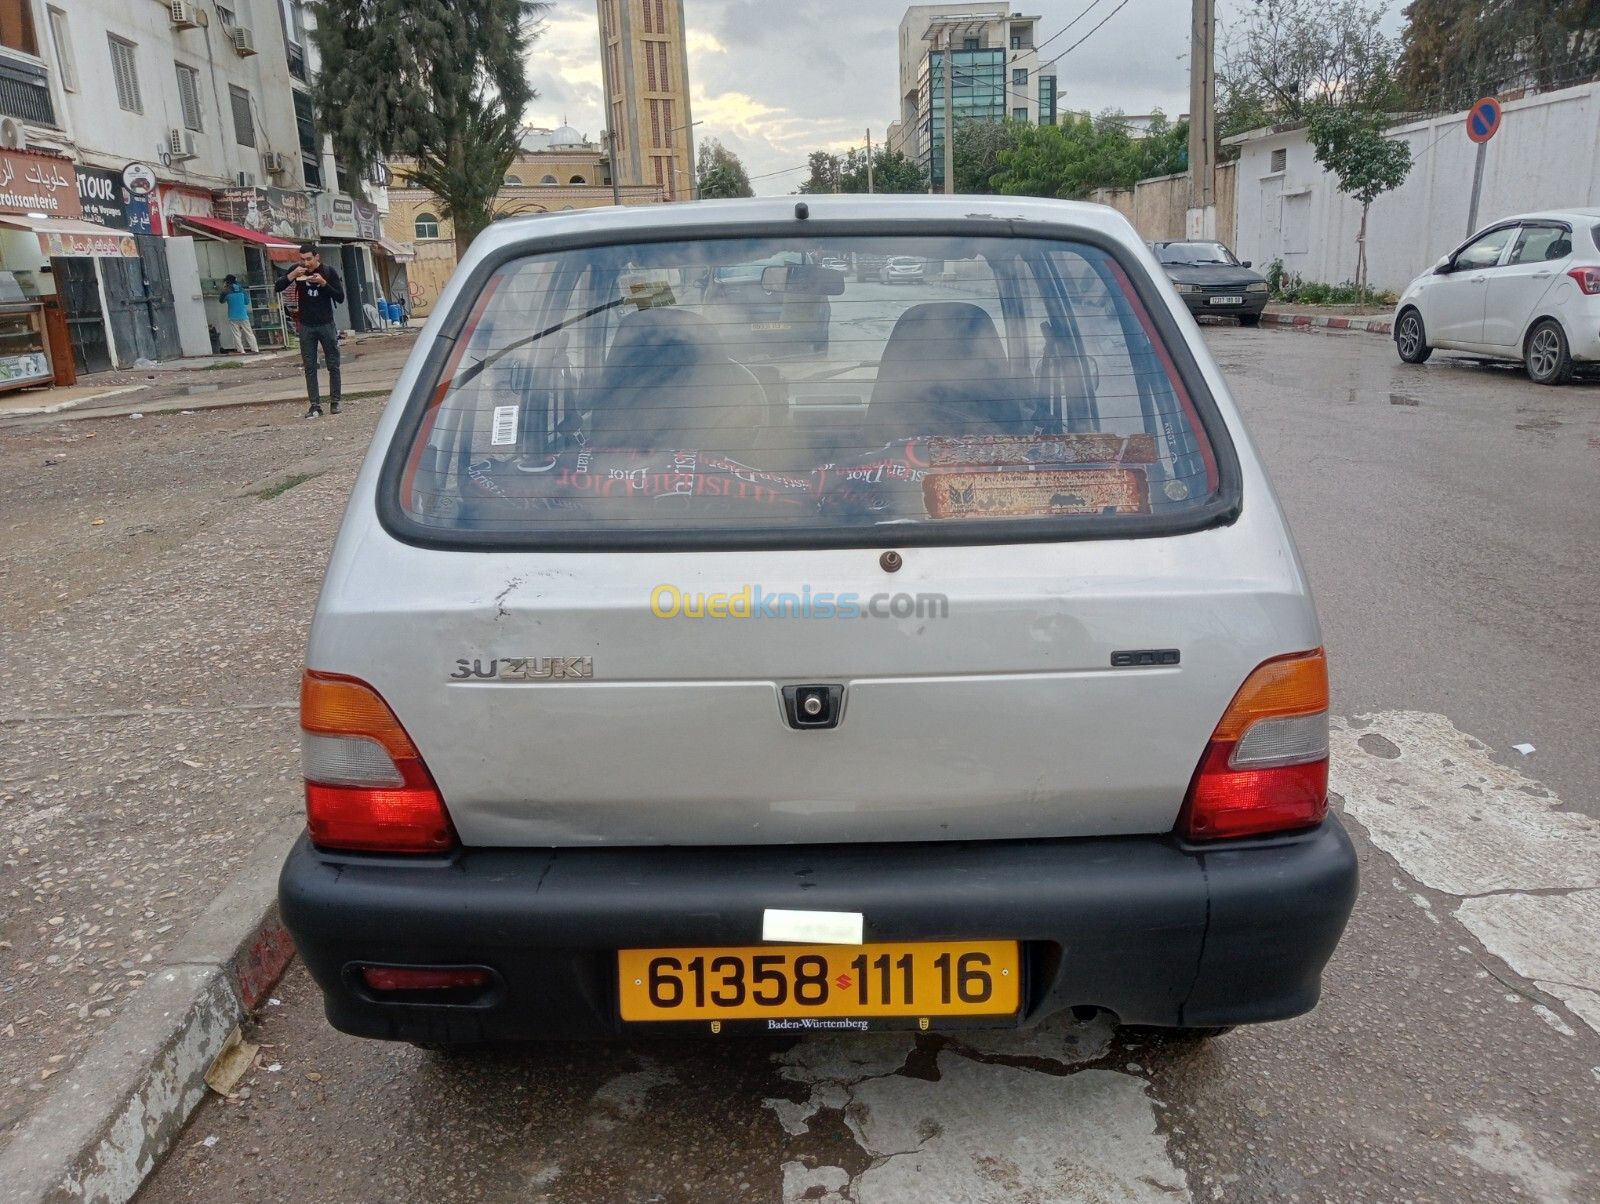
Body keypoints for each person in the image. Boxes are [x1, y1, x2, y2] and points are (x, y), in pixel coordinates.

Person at [275, 244, 346, 418]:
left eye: (309, 259)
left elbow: (340, 297)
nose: (306, 263)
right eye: (302, 259)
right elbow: (278, 287)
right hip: (306, 325)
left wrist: (323, 284)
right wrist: (292, 275)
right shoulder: (296, 270)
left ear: (317, 257)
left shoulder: (328, 272)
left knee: (333, 364)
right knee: (310, 367)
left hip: (326, 324)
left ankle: (335, 402)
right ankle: (315, 405)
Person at [220, 275, 258, 354]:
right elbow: (247, 302)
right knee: (249, 333)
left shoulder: (226, 291)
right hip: (243, 315)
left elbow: (221, 301)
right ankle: (255, 349)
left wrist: (224, 290)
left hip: (233, 316)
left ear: (226, 282)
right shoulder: (241, 290)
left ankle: (241, 351)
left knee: (237, 335)